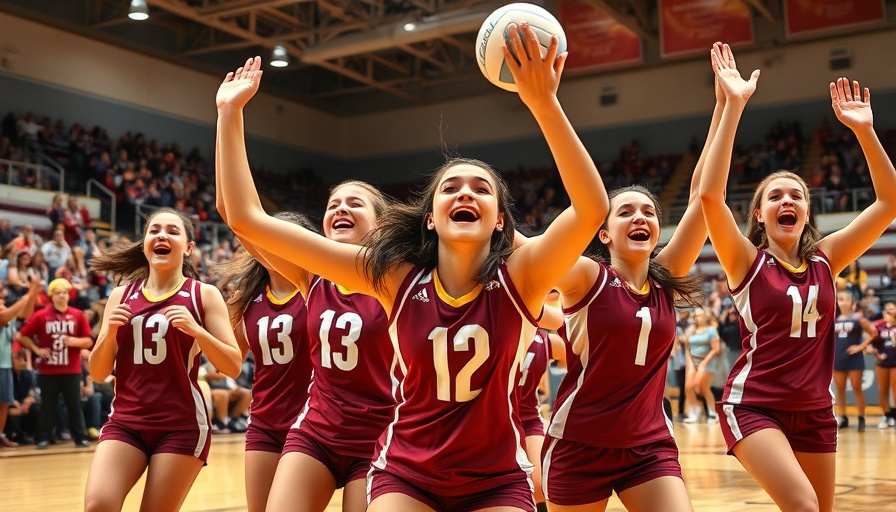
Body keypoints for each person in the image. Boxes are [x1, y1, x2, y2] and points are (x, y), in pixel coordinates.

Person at [217, 22, 606, 512]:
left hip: (496, 480)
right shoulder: (394, 276)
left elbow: (591, 209)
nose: (465, 192)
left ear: (500, 221)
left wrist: (543, 102)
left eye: (482, 189)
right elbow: (246, 218)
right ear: (430, 218)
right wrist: (229, 113)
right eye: (451, 187)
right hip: (407, 473)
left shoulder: (522, 277)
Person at [700, 41, 896, 512]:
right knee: (803, 506)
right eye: (775, 197)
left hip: (815, 410)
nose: (787, 201)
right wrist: (732, 106)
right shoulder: (745, 260)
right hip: (754, 405)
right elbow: (709, 196)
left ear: (807, 212)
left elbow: (889, 202)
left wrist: (865, 133)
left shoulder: (828, 258)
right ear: (760, 214)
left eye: (796, 195)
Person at [541, 74, 718, 512]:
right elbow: (527, 251)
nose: (640, 217)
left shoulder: (665, 276)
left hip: (648, 447)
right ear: (603, 233)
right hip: (579, 445)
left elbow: (704, 197)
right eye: (626, 212)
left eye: (649, 212)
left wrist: (727, 108)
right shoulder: (585, 276)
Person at [83, 208, 242, 512]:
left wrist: (197, 331)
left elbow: (232, 364)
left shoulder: (204, 295)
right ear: (145, 243)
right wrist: (109, 333)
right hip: (127, 421)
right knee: (98, 505)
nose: (162, 235)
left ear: (188, 247)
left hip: (181, 425)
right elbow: (98, 372)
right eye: (154, 230)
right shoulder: (121, 295)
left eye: (172, 230)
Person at [215, 212, 316, 512]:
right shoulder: (245, 300)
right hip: (265, 422)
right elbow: (230, 365)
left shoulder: (320, 288)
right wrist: (202, 329)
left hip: (315, 424)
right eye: (270, 236)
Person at [15, 278, 94, 449]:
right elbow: (22, 335)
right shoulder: (42, 315)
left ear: (69, 295)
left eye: (65, 292)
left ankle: (80, 437)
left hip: (72, 369)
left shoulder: (78, 315)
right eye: (58, 292)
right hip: (48, 370)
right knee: (47, 406)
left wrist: (73, 341)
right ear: (52, 296)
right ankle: (43, 438)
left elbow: (88, 341)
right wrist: (36, 350)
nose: (62, 295)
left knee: (74, 404)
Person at [0, 279, 41, 447]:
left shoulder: (8, 317)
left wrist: (33, 296)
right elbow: (4, 317)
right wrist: (29, 295)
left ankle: (0, 434)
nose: (2, 302)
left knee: (3, 402)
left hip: (5, 364)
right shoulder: (4, 316)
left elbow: (25, 314)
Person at [832, 289, 876, 432]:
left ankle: (861, 418)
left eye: (845, 299)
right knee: (840, 389)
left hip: (854, 358)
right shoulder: (833, 319)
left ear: (852, 303)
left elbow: (873, 333)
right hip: (838, 357)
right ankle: (842, 417)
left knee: (857, 388)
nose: (842, 302)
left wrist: (860, 347)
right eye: (840, 299)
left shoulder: (858, 318)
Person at [683, 307, 721, 423]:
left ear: (706, 316)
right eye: (697, 315)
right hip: (692, 361)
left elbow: (716, 349)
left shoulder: (711, 330)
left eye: (701, 315)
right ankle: (695, 413)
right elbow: (687, 348)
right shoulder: (691, 330)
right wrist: (689, 363)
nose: (698, 317)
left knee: (701, 386)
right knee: (689, 387)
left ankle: (713, 413)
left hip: (707, 362)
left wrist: (704, 362)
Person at [869, 301, 896, 428]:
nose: (890, 310)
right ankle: (886, 415)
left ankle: (894, 416)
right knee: (883, 390)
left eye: (893, 308)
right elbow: (872, 344)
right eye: (888, 308)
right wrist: (877, 354)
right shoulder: (878, 325)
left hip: (895, 360)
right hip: (882, 361)